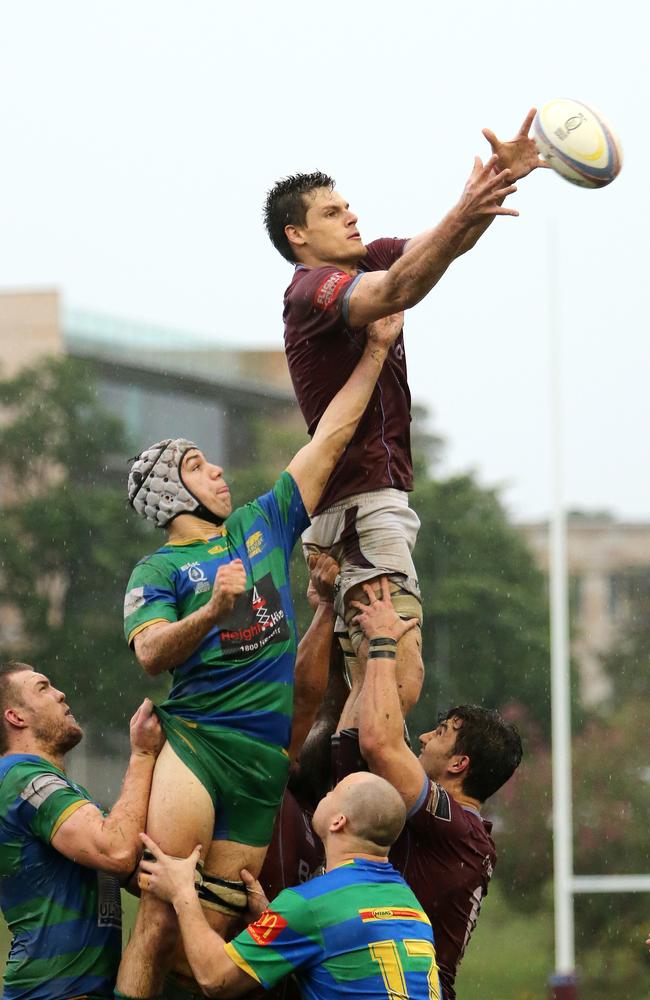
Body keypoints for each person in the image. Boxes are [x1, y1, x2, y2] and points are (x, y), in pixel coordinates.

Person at [117, 313, 404, 999]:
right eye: (195, 465)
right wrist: (213, 611)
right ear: (168, 494)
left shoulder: (262, 524)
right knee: (159, 917)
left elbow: (329, 438)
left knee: (207, 951)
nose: (215, 469)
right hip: (199, 746)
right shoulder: (156, 571)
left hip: (262, 761)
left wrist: (374, 350)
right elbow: (152, 653)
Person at [264, 110, 548, 731]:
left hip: (352, 507)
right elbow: (396, 292)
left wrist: (494, 182)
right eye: (334, 213)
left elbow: (437, 247)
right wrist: (469, 205)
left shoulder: (365, 259)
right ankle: (361, 807)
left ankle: (334, 806)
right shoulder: (311, 287)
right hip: (362, 502)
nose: (352, 217)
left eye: (349, 206)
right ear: (298, 236)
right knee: (399, 676)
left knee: (358, 692)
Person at [347, 579, 523, 999]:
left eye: (440, 733)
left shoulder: (456, 825)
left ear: (459, 764)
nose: (424, 737)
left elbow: (379, 744)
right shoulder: (464, 830)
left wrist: (384, 642)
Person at [138, 771, 441, 999]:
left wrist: (182, 892)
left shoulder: (309, 904)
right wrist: (273, 920)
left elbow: (215, 978)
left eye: (332, 792)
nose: (326, 793)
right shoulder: (409, 903)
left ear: (338, 822)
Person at [0, 660, 164, 1000]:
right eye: (42, 688)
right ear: (16, 717)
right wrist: (143, 753)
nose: (60, 694)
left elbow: (135, 870)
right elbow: (116, 850)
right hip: (50, 993)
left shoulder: (65, 792)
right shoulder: (21, 778)